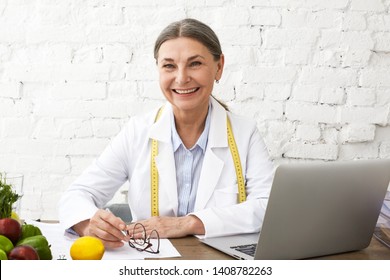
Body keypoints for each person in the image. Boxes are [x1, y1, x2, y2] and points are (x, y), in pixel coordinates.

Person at [58, 18, 274, 249]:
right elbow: (77, 195)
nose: (181, 78)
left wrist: (187, 224)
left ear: (219, 67)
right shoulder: (137, 132)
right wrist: (89, 225)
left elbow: (268, 207)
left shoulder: (244, 134)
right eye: (169, 66)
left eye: (195, 64)